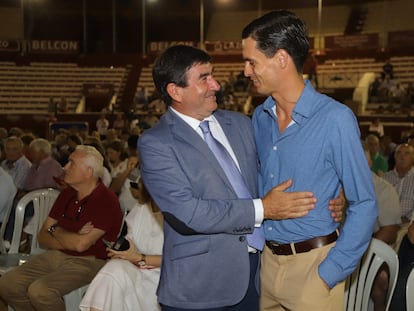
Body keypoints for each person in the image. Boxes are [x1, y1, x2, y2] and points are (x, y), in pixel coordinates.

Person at [138, 45, 343, 311]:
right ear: (175, 91)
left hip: (259, 277)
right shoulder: (156, 143)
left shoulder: (242, 124)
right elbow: (188, 214)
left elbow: (280, 171)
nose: (216, 85)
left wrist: (334, 195)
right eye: (204, 78)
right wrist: (263, 208)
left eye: (213, 75)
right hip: (200, 287)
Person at [241, 10, 377, 310]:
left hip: (314, 269)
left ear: (281, 58)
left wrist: (329, 273)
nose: (246, 71)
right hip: (268, 265)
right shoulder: (260, 119)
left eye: (252, 62)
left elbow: (366, 203)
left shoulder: (335, 119)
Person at [0, 145, 123, 311]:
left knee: (40, 291)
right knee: (7, 284)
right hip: (56, 255)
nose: (65, 167)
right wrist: (66, 237)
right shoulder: (67, 194)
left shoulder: (106, 201)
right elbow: (42, 236)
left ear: (88, 172)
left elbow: (80, 246)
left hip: (90, 262)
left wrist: (55, 230)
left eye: (71, 163)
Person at [80, 178, 163, 311]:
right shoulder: (142, 208)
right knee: (112, 271)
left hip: (162, 276)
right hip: (135, 268)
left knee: (113, 274)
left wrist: (140, 258)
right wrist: (121, 251)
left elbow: (180, 260)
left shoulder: (178, 213)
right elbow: (131, 241)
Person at [363, 150, 401, 311]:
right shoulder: (333, 184)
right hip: (335, 244)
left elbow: (390, 231)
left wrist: (357, 253)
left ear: (370, 163)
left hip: (372, 245)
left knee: (381, 277)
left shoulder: (384, 189)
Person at [383, 143, 414, 223]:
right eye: (398, 153)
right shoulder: (386, 178)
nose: (402, 157)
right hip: (386, 222)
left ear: (413, 157)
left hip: (409, 224)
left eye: (407, 153)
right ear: (394, 156)